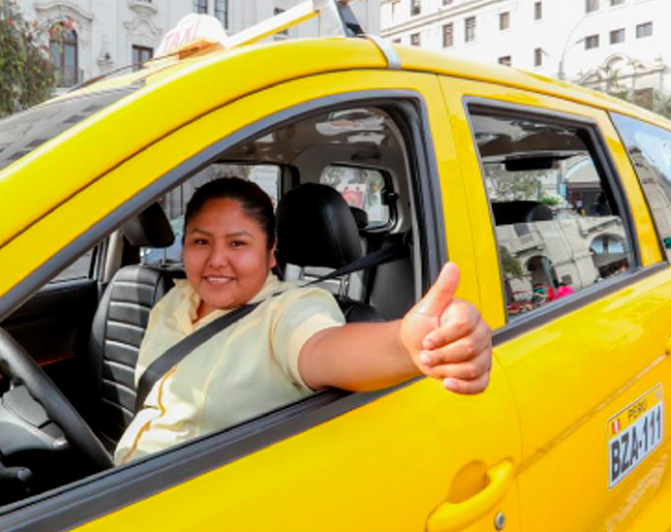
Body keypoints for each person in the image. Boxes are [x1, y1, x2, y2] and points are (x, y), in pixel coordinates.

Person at [115, 178, 493, 464]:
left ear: (270, 252)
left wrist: (408, 344)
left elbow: (323, 348)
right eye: (201, 242)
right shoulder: (173, 299)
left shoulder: (289, 311)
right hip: (123, 485)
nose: (215, 260)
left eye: (237, 244)